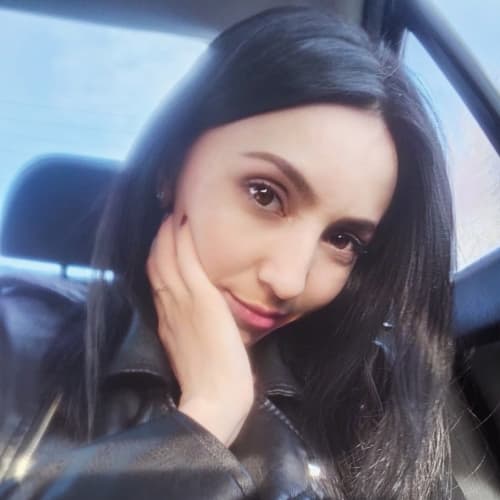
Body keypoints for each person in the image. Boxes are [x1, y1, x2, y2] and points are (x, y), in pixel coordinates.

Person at [0, 6, 456, 499]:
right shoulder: (14, 340)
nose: (289, 280)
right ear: (170, 169)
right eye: (265, 195)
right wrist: (208, 416)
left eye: (342, 239)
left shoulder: (376, 398)